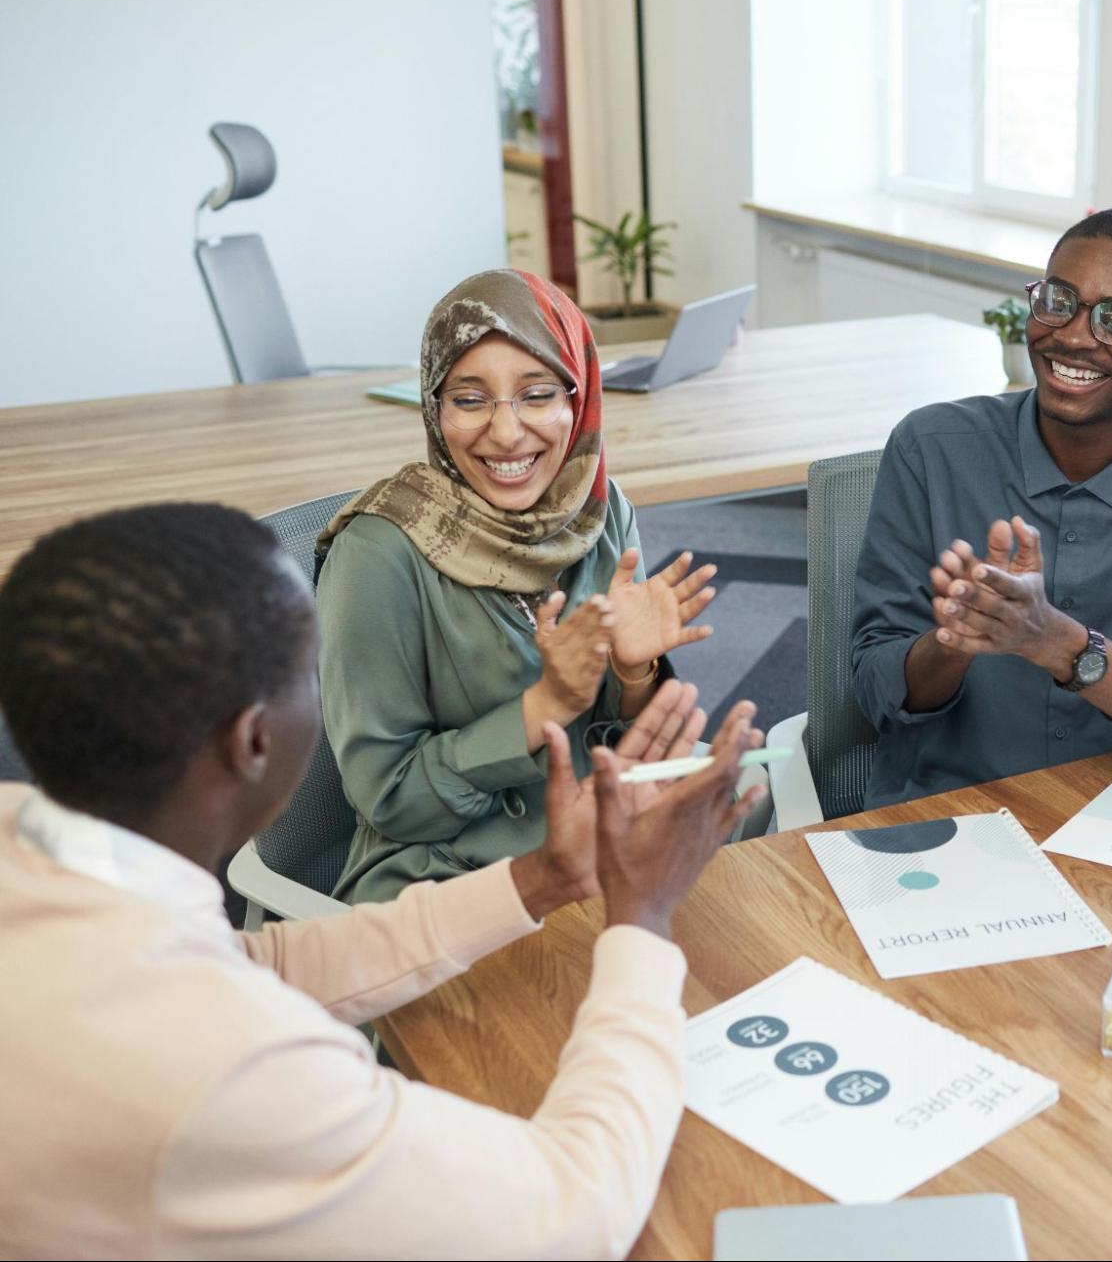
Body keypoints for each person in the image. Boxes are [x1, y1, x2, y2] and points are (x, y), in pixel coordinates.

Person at [0, 502, 764, 1259]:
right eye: (313, 671)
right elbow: (575, 1208)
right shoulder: (240, 1075)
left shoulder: (31, 840)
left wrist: (542, 877)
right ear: (254, 738)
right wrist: (642, 917)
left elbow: (240, 964)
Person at [317, 268, 723, 903]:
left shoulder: (598, 508)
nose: (506, 433)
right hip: (447, 878)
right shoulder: (378, 553)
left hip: (602, 836)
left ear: (578, 398)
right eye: (470, 399)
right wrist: (546, 705)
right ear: (433, 407)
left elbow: (623, 745)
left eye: (537, 395)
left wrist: (634, 674)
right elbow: (389, 798)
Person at [851, 207, 1112, 807]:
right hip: (952, 812)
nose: (1074, 335)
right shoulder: (931, 448)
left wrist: (1062, 646)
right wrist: (951, 641)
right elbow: (873, 695)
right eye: (1058, 300)